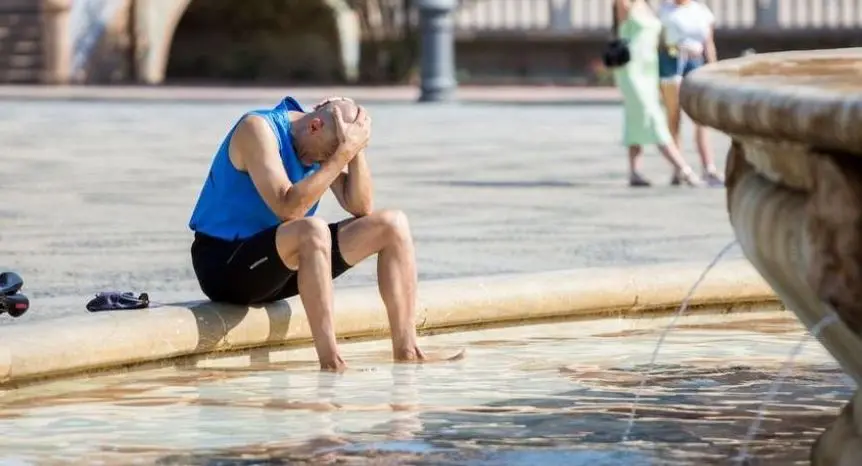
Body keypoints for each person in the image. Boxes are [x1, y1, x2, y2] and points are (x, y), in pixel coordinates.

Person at [187, 95, 425, 372]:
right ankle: (331, 362)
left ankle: (407, 352)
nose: (327, 161)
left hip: (281, 265)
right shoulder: (257, 129)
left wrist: (355, 149)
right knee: (313, 229)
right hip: (226, 266)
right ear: (314, 126)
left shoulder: (319, 142)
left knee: (393, 224)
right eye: (330, 153)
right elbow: (288, 209)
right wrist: (341, 154)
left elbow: (361, 207)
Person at [612, 0, 702, 187]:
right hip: (632, 70)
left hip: (650, 70)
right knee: (653, 117)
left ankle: (634, 172)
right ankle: (683, 168)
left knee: (635, 118)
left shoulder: (649, 6)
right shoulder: (625, 4)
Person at [657, 0, 724, 187]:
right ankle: (678, 168)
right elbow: (658, 41)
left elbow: (708, 43)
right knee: (674, 115)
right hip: (672, 61)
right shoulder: (665, 10)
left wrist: (713, 69)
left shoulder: (701, 11)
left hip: (695, 61)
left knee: (700, 118)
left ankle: (708, 167)